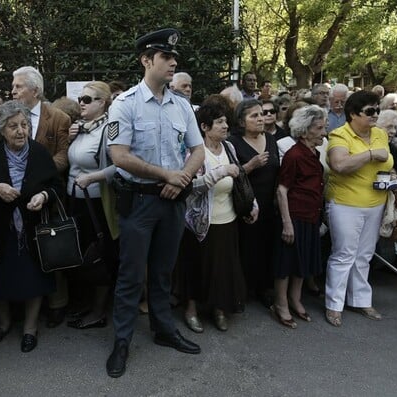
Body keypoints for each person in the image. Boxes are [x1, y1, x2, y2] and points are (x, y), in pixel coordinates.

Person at [105, 28, 205, 378]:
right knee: (132, 276)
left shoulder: (181, 105)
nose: (173, 63)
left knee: (163, 272)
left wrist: (182, 179)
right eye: (166, 57)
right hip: (140, 203)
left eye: (174, 58)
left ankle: (164, 330)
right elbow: (119, 156)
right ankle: (122, 341)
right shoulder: (125, 104)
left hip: (173, 201)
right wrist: (167, 175)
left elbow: (197, 149)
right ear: (147, 60)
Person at [0, 101, 60, 352]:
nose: (20, 131)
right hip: (0, 230)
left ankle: (30, 328)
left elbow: (56, 187)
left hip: (32, 230)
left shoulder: (39, 152)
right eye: (13, 126)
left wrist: (43, 196)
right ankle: (3, 324)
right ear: (2, 129)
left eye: (24, 125)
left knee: (34, 278)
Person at [178, 100, 254, 333]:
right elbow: (189, 187)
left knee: (222, 269)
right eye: (219, 122)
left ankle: (219, 309)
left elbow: (239, 179)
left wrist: (253, 204)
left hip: (227, 219)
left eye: (225, 121)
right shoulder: (195, 152)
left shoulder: (229, 148)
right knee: (195, 267)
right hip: (200, 223)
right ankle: (190, 310)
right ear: (204, 126)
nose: (225, 126)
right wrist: (220, 173)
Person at [325, 91, 395, 327]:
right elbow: (339, 165)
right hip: (346, 203)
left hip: (375, 202)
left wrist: (394, 178)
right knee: (344, 254)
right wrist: (371, 154)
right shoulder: (339, 135)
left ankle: (360, 300)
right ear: (353, 114)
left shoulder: (380, 134)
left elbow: (387, 165)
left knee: (364, 255)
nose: (375, 115)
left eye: (377, 109)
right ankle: (334, 305)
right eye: (369, 111)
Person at [11, 66, 71, 327]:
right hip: (15, 196)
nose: (13, 91)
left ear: (35, 90)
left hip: (46, 194)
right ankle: (24, 302)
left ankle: (57, 303)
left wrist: (36, 174)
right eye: (13, 87)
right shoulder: (9, 115)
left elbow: (63, 155)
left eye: (18, 86)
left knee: (51, 246)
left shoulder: (58, 117)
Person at [64, 81, 119, 329]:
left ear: (102, 103)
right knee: (80, 254)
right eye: (80, 99)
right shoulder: (81, 129)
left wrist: (93, 177)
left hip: (97, 204)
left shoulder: (110, 129)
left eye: (87, 99)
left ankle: (99, 311)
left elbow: (121, 165)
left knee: (98, 256)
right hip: (75, 200)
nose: (81, 103)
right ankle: (87, 304)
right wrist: (69, 138)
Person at [272, 105, 327, 329]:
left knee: (302, 260)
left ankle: (295, 299)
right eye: (319, 128)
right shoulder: (294, 155)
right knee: (286, 263)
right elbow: (281, 190)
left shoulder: (314, 153)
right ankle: (281, 303)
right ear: (305, 131)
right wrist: (287, 224)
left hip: (311, 215)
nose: (324, 132)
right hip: (294, 216)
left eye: (324, 127)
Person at [228, 99, 280, 309]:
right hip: (245, 205)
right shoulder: (233, 141)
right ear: (241, 121)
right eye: (254, 116)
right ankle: (241, 290)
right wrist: (250, 165)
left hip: (269, 205)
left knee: (266, 248)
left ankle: (263, 289)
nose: (261, 119)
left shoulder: (269, 138)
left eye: (262, 114)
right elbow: (229, 175)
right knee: (245, 249)